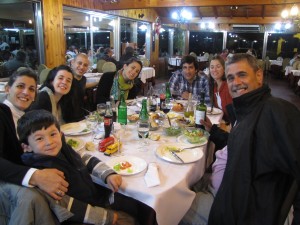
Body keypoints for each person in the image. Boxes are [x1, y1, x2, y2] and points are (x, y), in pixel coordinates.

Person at [181, 53, 300, 225]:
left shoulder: (277, 112)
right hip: (226, 190)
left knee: (172, 208)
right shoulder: (248, 111)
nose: (236, 83)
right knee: (186, 183)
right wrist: (213, 130)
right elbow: (240, 143)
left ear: (259, 75)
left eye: (242, 75)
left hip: (240, 211)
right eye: (230, 78)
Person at [18, 109, 157, 225]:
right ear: (26, 147)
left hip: (93, 197)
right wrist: (108, 217)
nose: (49, 142)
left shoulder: (61, 149)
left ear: (60, 135)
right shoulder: (44, 173)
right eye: (39, 138)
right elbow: (67, 206)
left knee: (141, 206)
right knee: (133, 218)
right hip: (82, 217)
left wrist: (108, 173)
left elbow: (84, 158)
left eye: (52, 134)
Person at [0, 68, 69, 224]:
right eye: (20, 86)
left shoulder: (25, 116)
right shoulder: (2, 113)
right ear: (7, 89)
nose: (26, 92)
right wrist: (35, 176)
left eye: (31, 89)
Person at [208, 55, 233, 123]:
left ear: (224, 69)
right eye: (212, 67)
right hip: (221, 122)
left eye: (218, 66)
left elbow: (234, 114)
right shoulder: (214, 86)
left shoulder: (228, 87)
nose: (214, 70)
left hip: (231, 125)